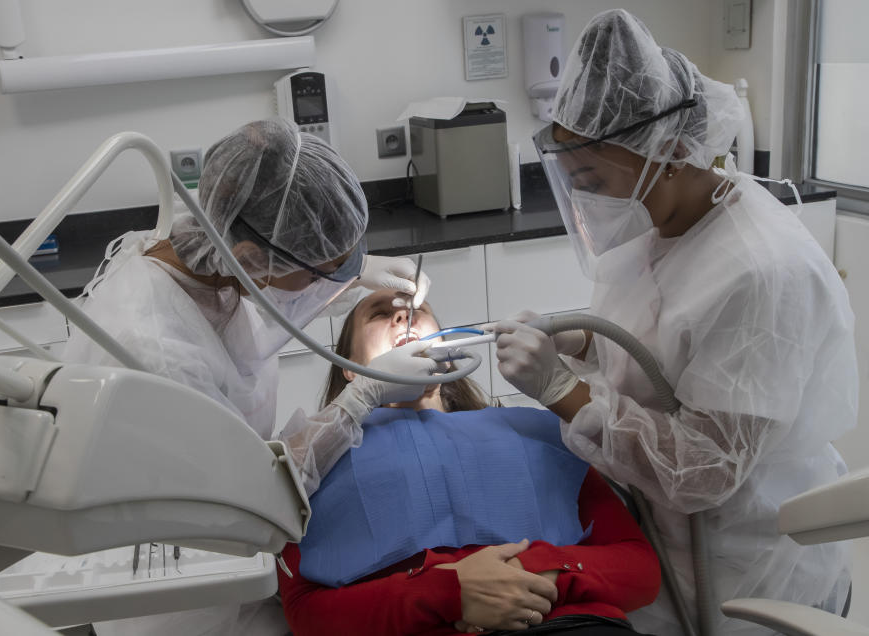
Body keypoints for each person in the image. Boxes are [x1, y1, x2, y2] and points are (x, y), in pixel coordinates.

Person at [492, 9, 858, 636]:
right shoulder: (659, 224)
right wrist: (580, 340)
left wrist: (563, 391)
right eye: (575, 181)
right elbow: (649, 355)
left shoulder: (760, 272)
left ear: (665, 151)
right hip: (664, 546)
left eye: (594, 179)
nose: (586, 201)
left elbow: (707, 468)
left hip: (750, 572)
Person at [62, 119, 437, 636]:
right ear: (253, 259)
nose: (400, 319)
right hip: (188, 597)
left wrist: (353, 274)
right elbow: (246, 502)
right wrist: (362, 395)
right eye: (320, 271)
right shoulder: (158, 352)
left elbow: (258, 314)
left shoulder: (204, 264)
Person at [278, 289, 661, 636]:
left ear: (450, 348)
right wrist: (447, 592)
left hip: (568, 622)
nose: (401, 316)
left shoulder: (541, 435)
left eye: (416, 309)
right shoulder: (314, 461)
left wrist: (530, 573)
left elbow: (640, 569)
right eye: (379, 313)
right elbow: (305, 613)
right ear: (348, 367)